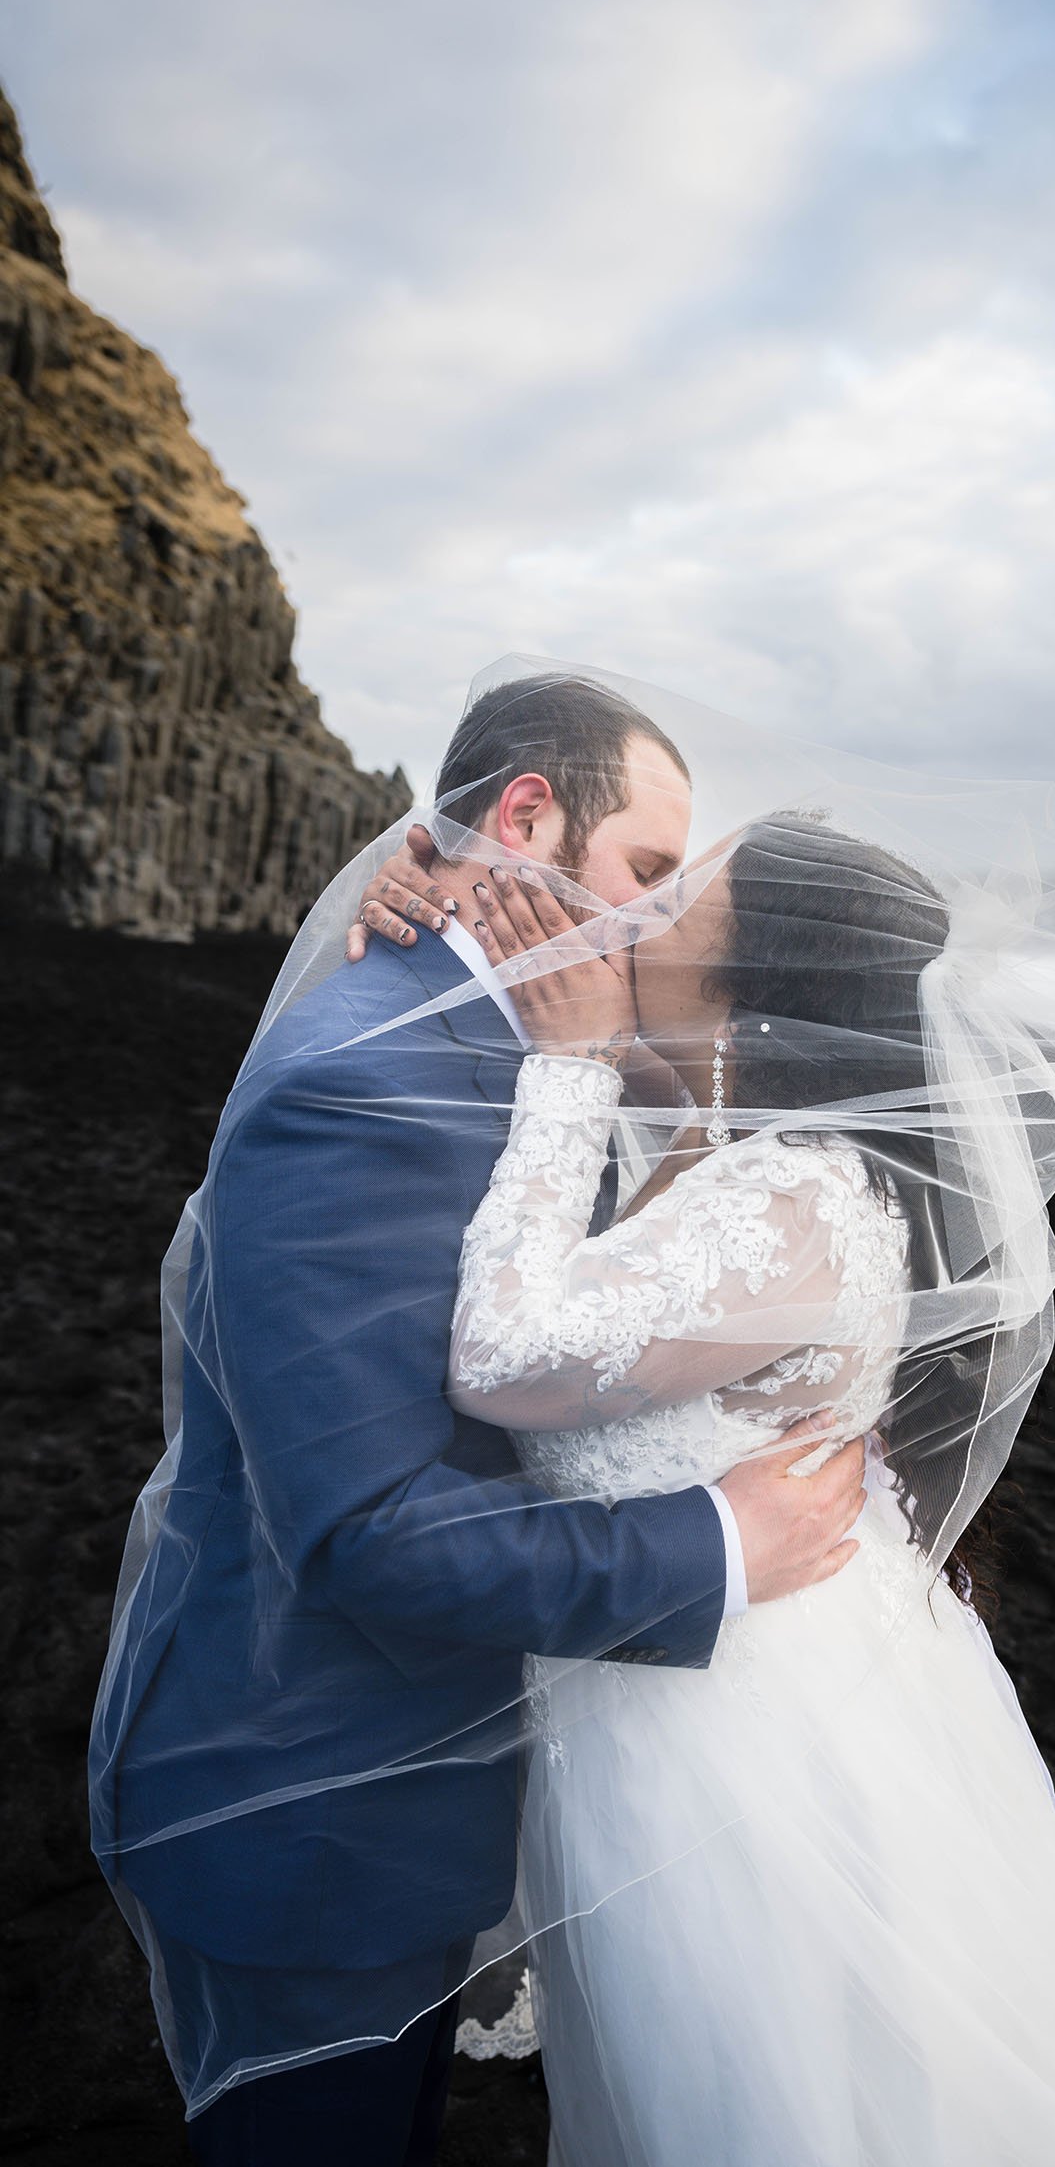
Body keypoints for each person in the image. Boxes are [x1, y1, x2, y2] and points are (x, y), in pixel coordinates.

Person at [354, 797, 1055, 2164]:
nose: (625, 921)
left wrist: (576, 1064)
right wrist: (445, 915)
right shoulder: (712, 1153)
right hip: (659, 1692)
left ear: (749, 990)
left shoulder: (805, 1201)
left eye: (665, 910)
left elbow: (503, 1353)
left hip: (745, 1753)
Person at [88, 675, 868, 2166]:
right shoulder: (359, 1086)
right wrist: (717, 1545)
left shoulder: (534, 1047)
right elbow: (366, 1526)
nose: (657, 916)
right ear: (526, 819)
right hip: (306, 1810)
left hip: (429, 1788)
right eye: (646, 869)